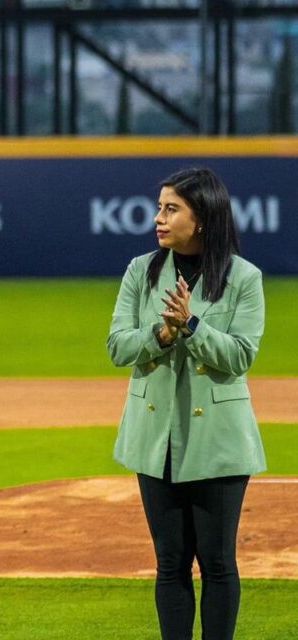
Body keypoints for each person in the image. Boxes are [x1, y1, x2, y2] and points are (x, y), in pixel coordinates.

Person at [108, 167, 265, 640]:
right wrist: (162, 332)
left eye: (171, 209)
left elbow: (240, 355)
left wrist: (192, 326)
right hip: (156, 438)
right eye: (159, 207)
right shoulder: (142, 270)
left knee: (217, 562)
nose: (158, 218)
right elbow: (118, 347)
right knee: (170, 561)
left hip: (217, 438)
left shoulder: (243, 277)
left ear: (202, 219)